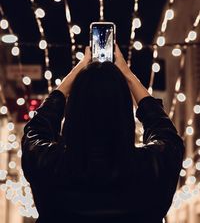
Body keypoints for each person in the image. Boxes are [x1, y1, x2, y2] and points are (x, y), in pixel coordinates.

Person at [21, 44, 185, 223]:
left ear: (73, 111)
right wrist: (128, 75)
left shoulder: (49, 165)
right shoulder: (151, 168)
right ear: (124, 110)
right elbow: (166, 133)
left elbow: (35, 130)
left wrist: (78, 70)